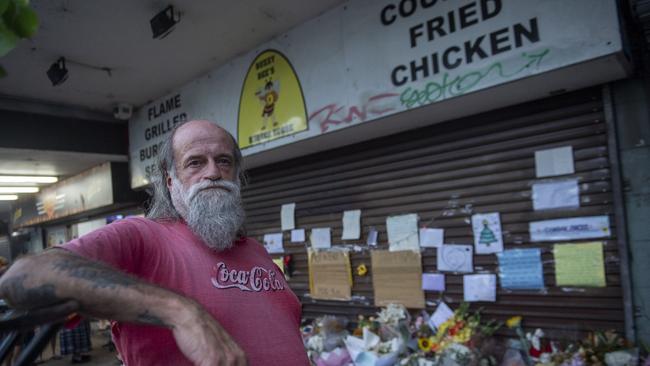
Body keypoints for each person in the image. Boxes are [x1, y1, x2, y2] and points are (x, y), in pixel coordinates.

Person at [0, 120, 310, 366]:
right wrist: (181, 311)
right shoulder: (142, 235)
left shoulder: (256, 251)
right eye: (195, 163)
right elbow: (24, 277)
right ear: (171, 180)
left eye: (224, 161)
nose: (213, 172)